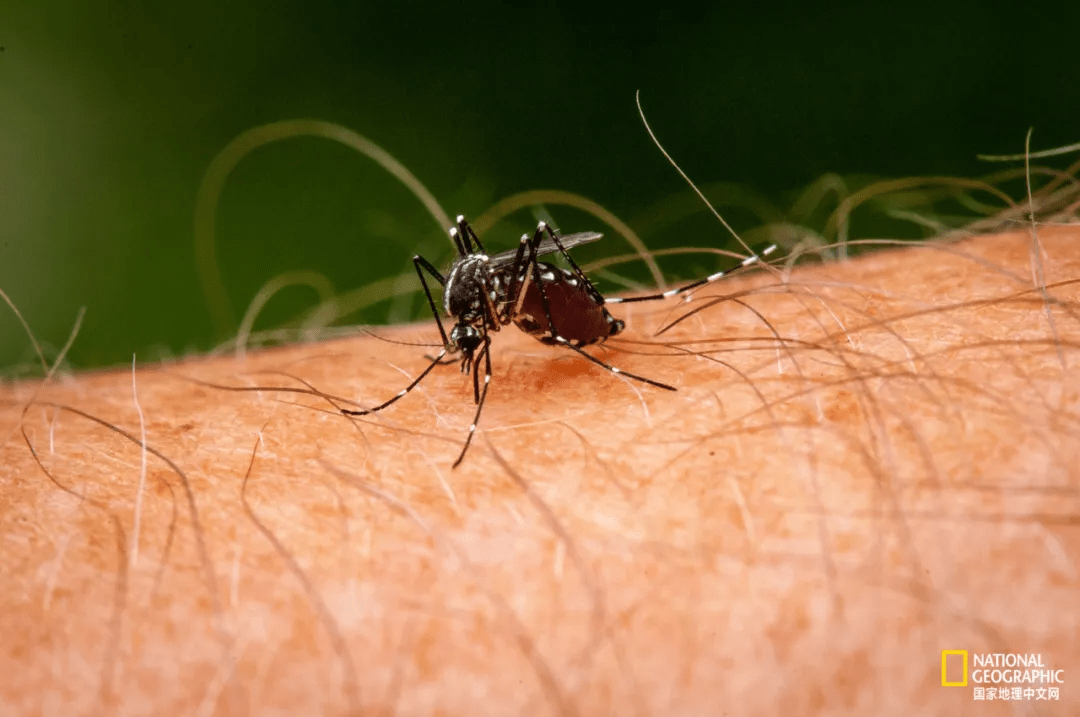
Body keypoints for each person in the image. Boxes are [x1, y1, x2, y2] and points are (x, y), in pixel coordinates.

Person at [3, 226, 1076, 715]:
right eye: (465, 329)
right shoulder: (460, 288)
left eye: (464, 328)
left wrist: (541, 332)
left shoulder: (501, 289)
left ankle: (603, 325)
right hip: (512, 296)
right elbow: (452, 279)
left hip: (554, 306)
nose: (462, 330)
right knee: (461, 256)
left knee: (511, 256)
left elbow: (493, 274)